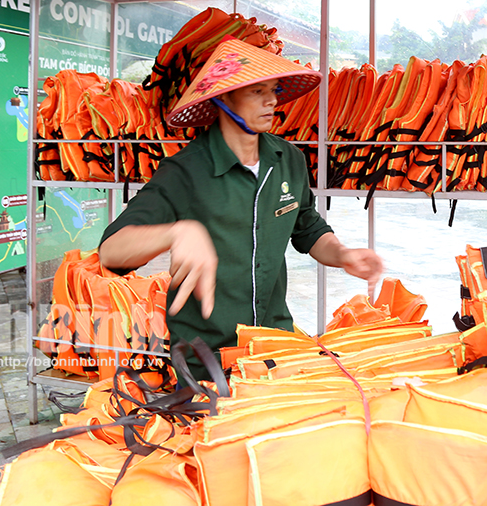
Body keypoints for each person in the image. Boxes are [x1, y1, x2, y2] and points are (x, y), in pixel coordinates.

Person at [99, 38, 383, 376]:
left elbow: (307, 226)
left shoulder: (288, 159)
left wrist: (342, 254)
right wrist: (178, 232)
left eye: (274, 89)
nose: (273, 100)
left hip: (274, 345)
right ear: (223, 99)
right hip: (205, 357)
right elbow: (111, 252)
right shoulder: (185, 171)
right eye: (257, 91)